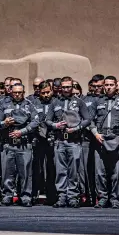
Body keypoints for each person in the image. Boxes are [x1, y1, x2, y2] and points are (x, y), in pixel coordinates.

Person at [46, 77, 91, 208]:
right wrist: (56, 125)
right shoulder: (55, 102)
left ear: (72, 87)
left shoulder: (79, 102)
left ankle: (73, 196)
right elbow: (47, 120)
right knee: (60, 170)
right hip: (59, 141)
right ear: (60, 87)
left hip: (74, 141)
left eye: (68, 87)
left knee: (73, 171)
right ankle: (61, 197)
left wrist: (76, 128)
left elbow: (87, 119)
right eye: (64, 87)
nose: (66, 89)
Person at [0, 82, 39, 207]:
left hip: (24, 144)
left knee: (25, 172)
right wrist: (5, 123)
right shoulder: (3, 105)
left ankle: (25, 196)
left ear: (23, 92)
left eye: (20, 92)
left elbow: (36, 121)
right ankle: (7, 196)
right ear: (11, 92)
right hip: (8, 144)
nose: (17, 94)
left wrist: (22, 131)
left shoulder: (29, 105)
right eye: (15, 92)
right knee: (7, 172)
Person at [90, 76, 119, 209]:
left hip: (115, 138)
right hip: (101, 138)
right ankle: (102, 198)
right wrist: (95, 133)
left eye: (111, 85)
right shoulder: (97, 101)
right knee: (100, 172)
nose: (108, 87)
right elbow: (90, 120)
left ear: (116, 86)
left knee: (115, 171)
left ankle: (115, 199)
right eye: (106, 85)